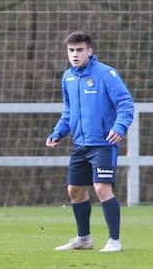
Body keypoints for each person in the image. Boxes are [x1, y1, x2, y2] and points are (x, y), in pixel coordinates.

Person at [46, 31, 134, 253]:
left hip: (104, 143)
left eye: (79, 50)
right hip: (80, 144)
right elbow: (69, 111)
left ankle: (114, 240)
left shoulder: (106, 74)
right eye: (71, 50)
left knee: (101, 188)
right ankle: (83, 239)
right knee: (74, 189)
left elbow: (125, 103)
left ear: (89, 51)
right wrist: (59, 132)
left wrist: (119, 127)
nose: (75, 54)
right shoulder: (68, 77)